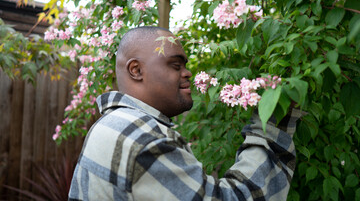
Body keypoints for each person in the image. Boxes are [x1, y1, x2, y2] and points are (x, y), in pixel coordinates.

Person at [68, 26, 302, 201]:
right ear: (136, 70)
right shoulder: (144, 139)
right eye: (175, 65)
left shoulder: (109, 124)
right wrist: (272, 120)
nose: (189, 73)